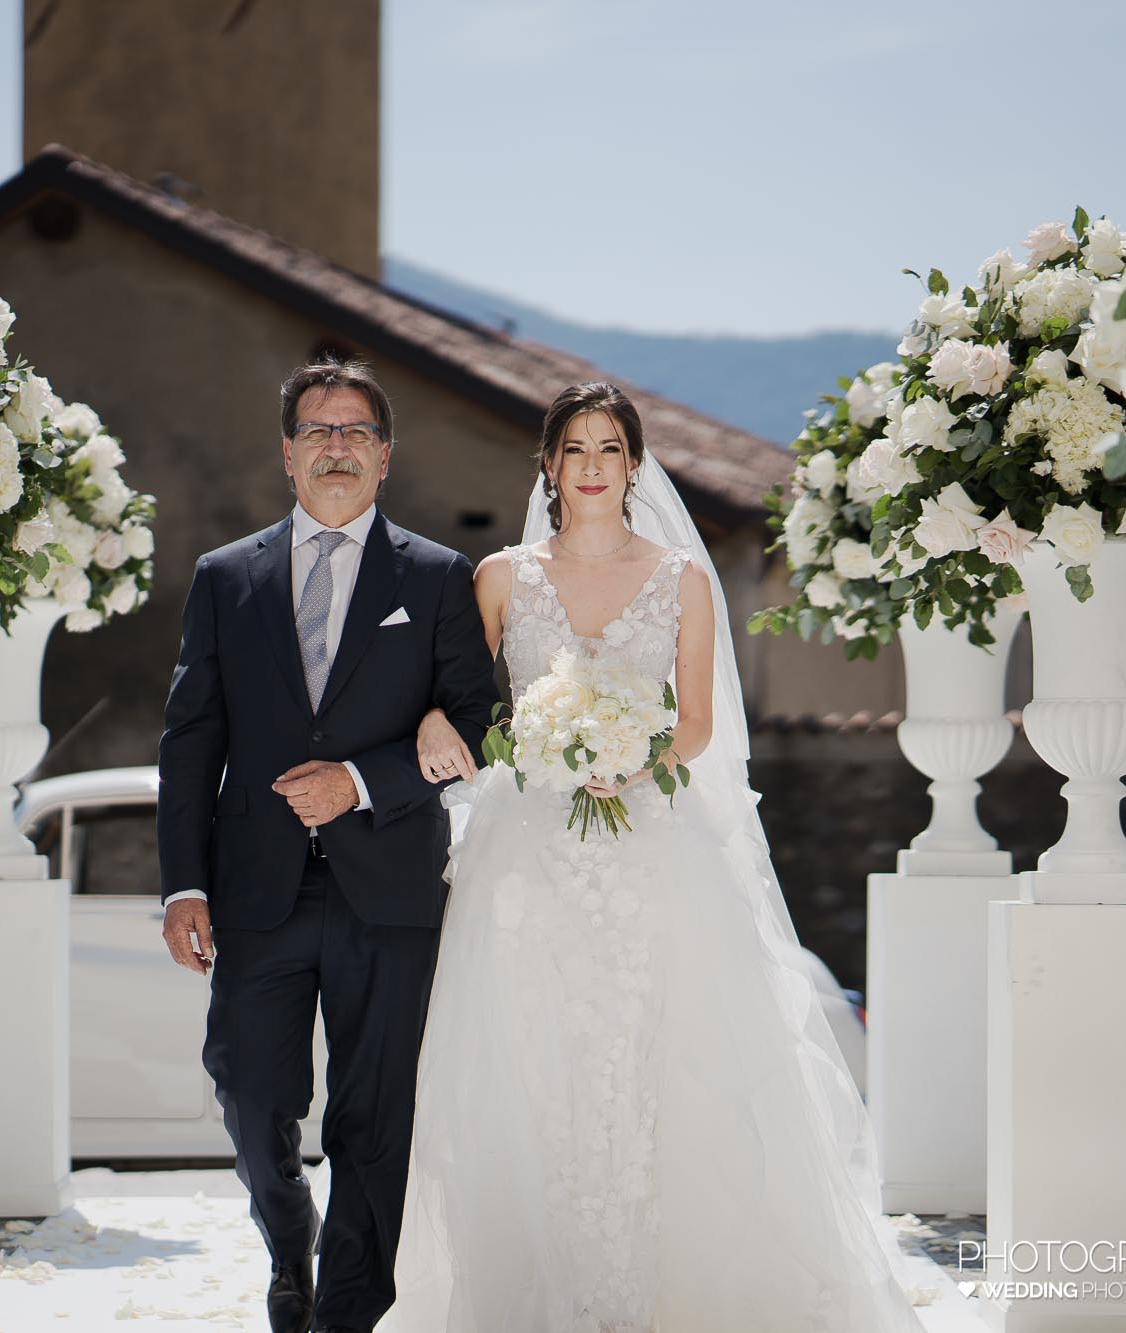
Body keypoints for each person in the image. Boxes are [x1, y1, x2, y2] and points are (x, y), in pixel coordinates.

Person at [381, 382, 926, 1332]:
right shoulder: (504, 576)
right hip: (528, 853)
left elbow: (702, 722)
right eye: (574, 449)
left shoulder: (681, 576)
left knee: (654, 1054)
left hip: (650, 852)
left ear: (634, 464)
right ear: (548, 465)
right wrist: (471, 725)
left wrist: (627, 756)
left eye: (609, 448)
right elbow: (472, 701)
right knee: (532, 1051)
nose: (592, 466)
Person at [156, 358, 500, 1333]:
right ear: (286, 454)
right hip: (255, 891)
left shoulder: (437, 578)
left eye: (354, 431)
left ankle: (347, 1309)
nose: (336, 446)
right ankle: (287, 1242)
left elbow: (473, 726)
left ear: (384, 458)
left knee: (374, 1118)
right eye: (317, 430)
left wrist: (358, 781)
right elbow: (190, 741)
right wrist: (182, 884)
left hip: (388, 888)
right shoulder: (225, 578)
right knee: (247, 1090)